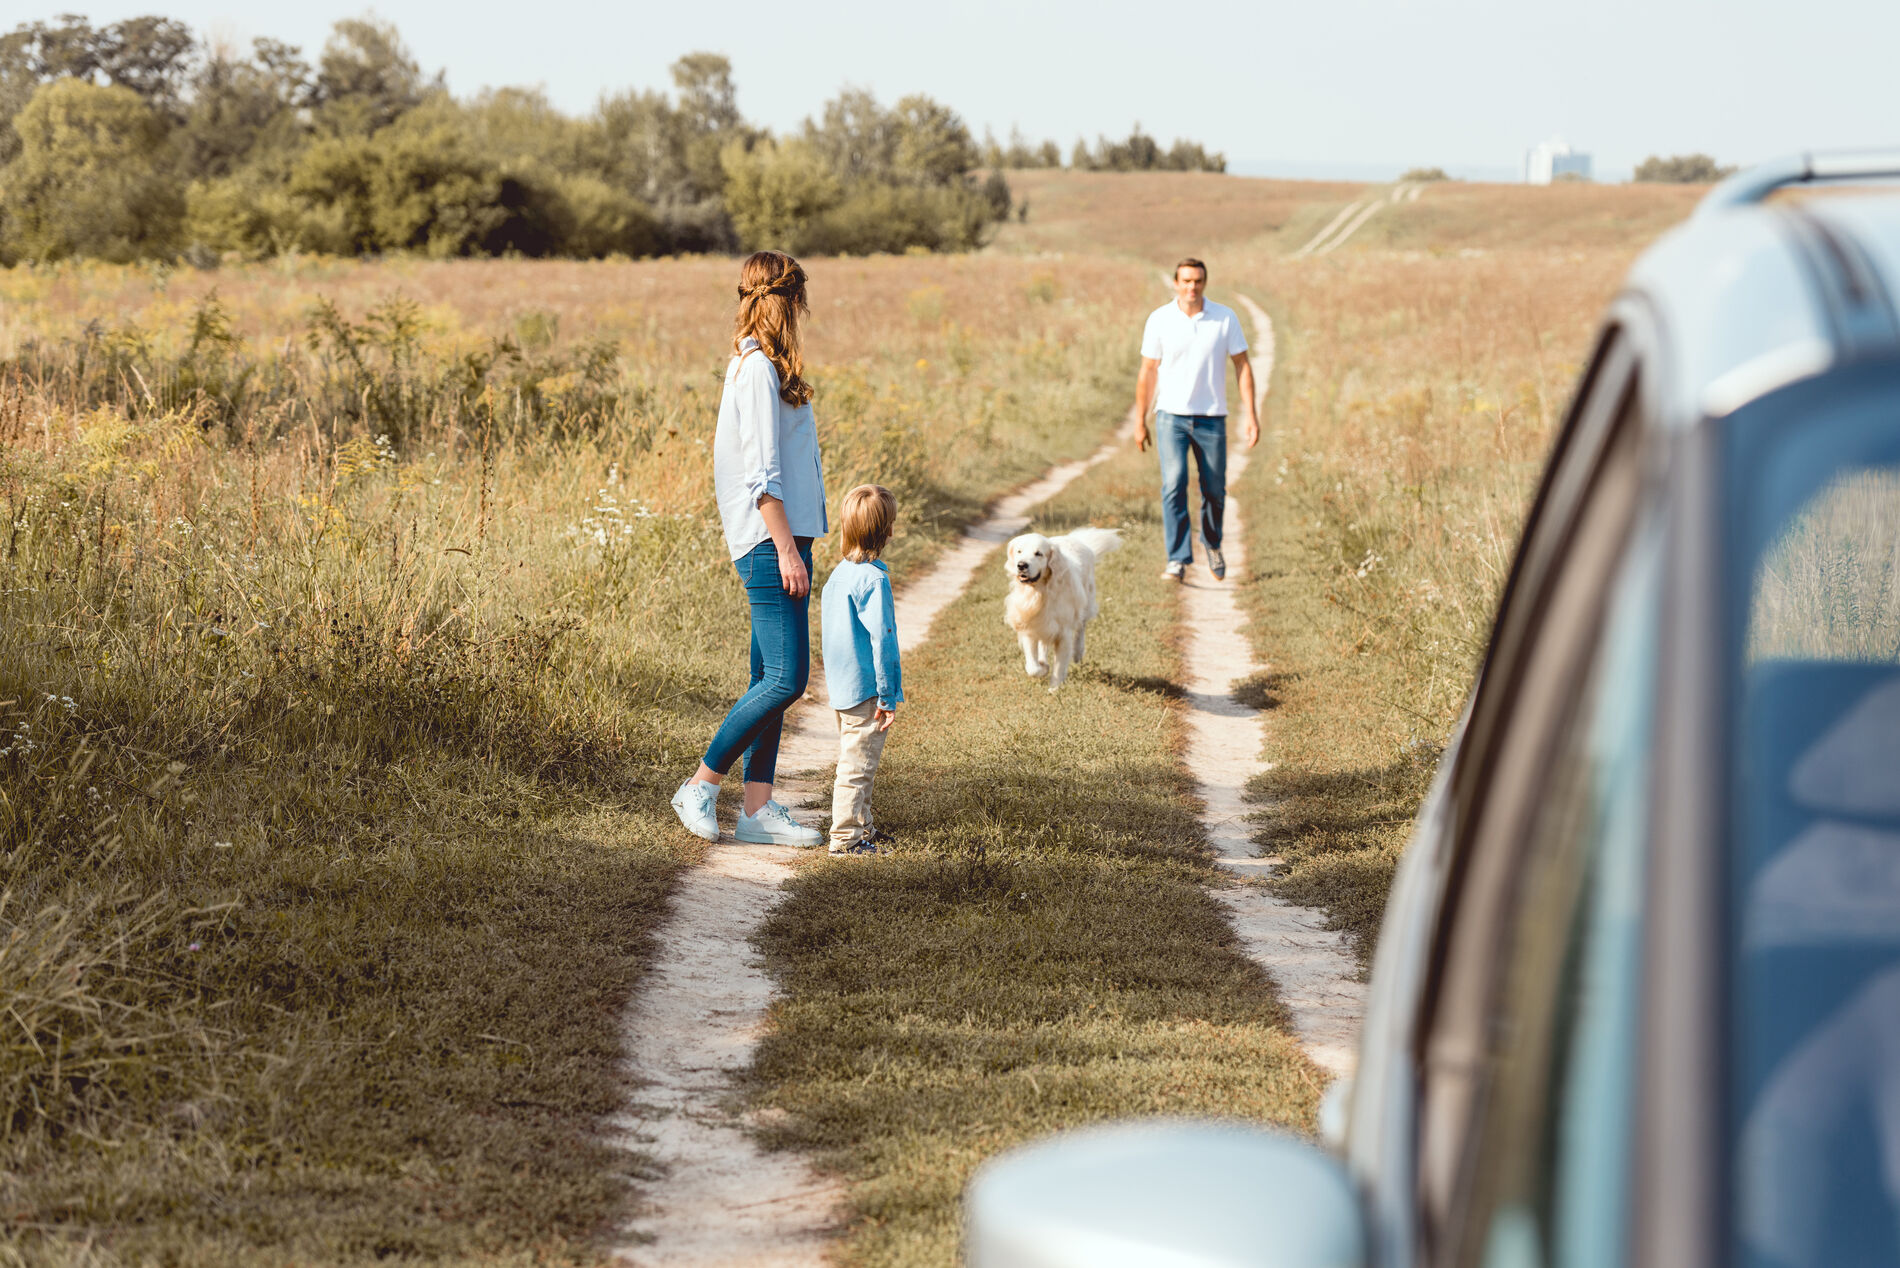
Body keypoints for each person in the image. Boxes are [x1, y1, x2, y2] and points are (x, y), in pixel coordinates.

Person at [670, 250, 826, 847]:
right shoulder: (756, 368)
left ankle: (758, 810)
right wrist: (786, 549)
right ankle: (701, 784)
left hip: (784, 537)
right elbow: (763, 476)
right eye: (798, 303)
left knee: (768, 674)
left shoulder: (764, 366)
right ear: (786, 304)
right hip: (770, 540)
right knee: (787, 678)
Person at [1133, 258, 1259, 582]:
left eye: (1198, 281)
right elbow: (1147, 371)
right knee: (1173, 484)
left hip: (1211, 417)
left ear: (1205, 283)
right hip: (1171, 417)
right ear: (1175, 283)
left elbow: (1242, 365)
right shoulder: (1160, 319)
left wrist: (1252, 415)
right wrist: (1139, 419)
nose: (1192, 287)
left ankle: (1212, 542)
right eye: (1186, 281)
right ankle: (1177, 558)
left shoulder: (1224, 318)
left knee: (1214, 490)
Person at [820, 484, 903, 856]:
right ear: (886, 531)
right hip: (867, 691)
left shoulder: (838, 575)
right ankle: (846, 838)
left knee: (860, 759)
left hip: (841, 687)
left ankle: (863, 826)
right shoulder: (875, 580)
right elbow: (882, 643)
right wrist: (887, 696)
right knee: (857, 768)